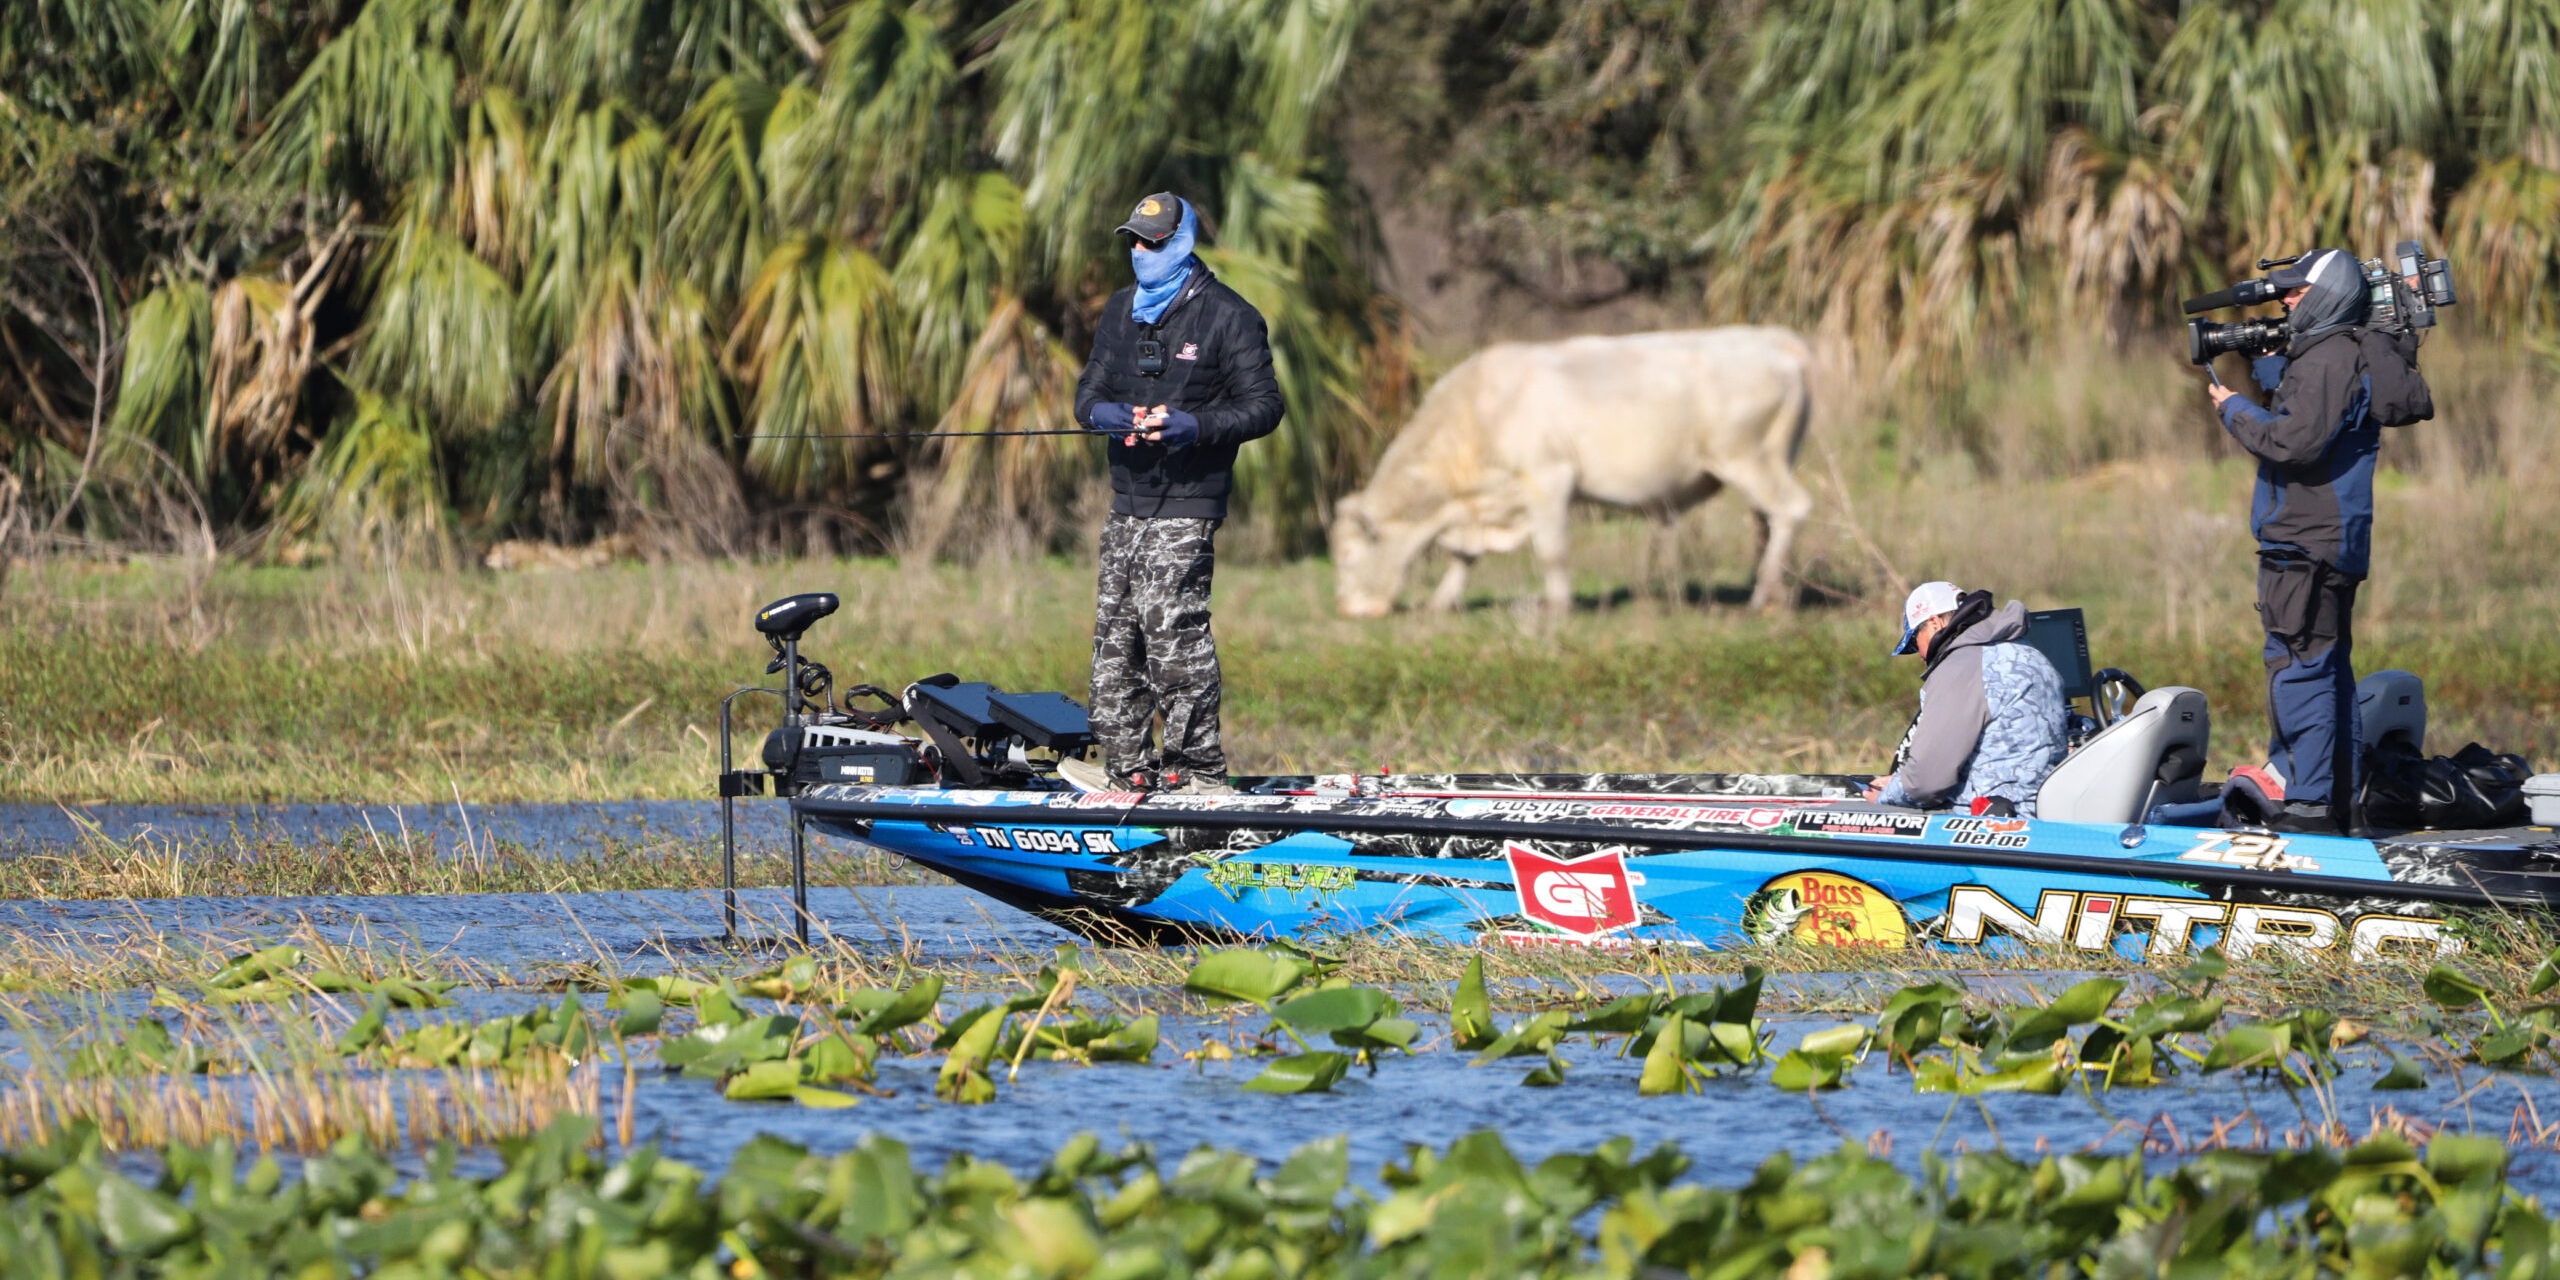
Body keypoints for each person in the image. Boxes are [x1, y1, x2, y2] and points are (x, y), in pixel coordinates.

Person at [1063, 192, 1284, 793]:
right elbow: (1088, 397)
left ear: (1182, 241)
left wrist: (1194, 426)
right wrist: (1112, 416)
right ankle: (1127, 768)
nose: (1141, 251)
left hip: (1190, 500)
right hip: (1128, 499)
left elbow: (1265, 407)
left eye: (1154, 242)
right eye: (1134, 240)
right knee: (1116, 635)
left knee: (1173, 633)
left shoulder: (1230, 316)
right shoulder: (1119, 310)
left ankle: (1197, 772)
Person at [2205, 248, 2379, 834]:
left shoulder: (2328, 357)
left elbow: (2293, 443)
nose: (2286, 300)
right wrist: (2273, 368)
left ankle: (2307, 815)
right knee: (2330, 673)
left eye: (2299, 293)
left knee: (2299, 671)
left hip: (2302, 546)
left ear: (2329, 295)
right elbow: (2315, 417)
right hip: (2333, 541)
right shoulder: (2343, 352)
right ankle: (2336, 808)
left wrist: (2234, 411)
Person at [1862, 581, 2069, 817]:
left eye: (1914, 640)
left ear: (1934, 623)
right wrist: (1901, 781)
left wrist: (1888, 794)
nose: (1920, 655)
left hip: (1995, 822)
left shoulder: (1960, 665)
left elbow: (1928, 779)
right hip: (2043, 813)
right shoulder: (2028, 651)